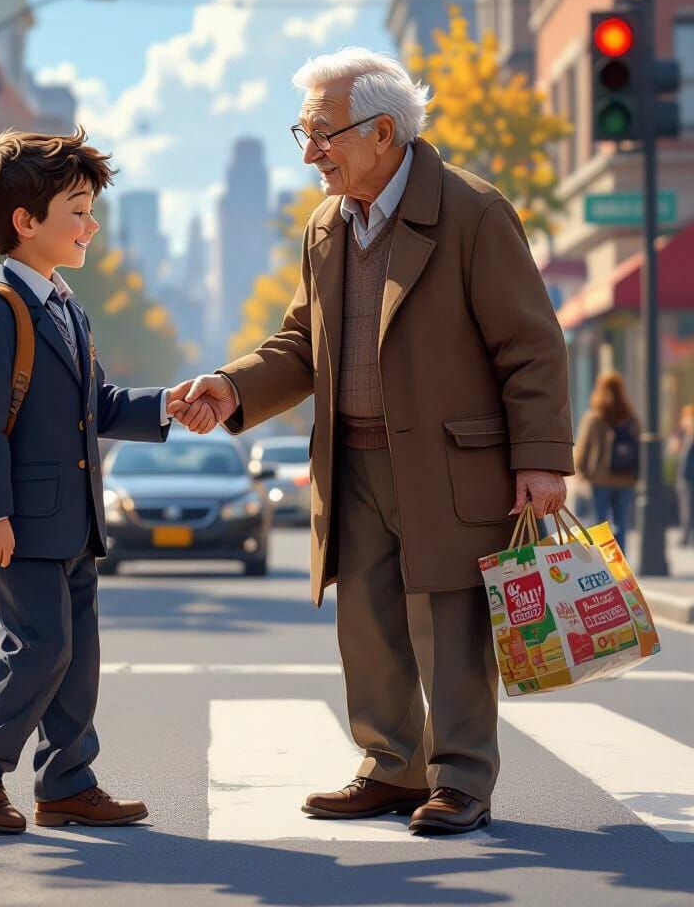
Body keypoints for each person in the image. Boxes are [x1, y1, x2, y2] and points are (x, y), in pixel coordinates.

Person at [170, 48, 571, 836]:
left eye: (322, 133)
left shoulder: (473, 212)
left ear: (382, 132)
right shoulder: (326, 224)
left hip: (448, 461)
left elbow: (531, 345)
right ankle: (390, 766)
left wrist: (542, 459)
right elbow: (300, 342)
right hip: (350, 455)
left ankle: (460, 779)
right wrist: (234, 385)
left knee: (449, 622)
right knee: (370, 620)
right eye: (303, 132)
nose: (310, 150)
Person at [0, 128, 184, 835]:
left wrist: (170, 402)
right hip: (21, 521)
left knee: (78, 655)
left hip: (74, 519)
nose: (90, 224)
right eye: (76, 210)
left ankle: (68, 782)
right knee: (41, 646)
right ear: (26, 222)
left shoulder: (66, 307)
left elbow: (97, 407)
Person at [574, 372, 640, 555]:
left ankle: (602, 564)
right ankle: (621, 566)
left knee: (599, 524)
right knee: (622, 524)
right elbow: (639, 446)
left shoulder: (594, 417)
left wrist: (581, 471)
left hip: (600, 479)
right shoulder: (630, 417)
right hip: (626, 479)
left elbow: (583, 447)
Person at [673, 404, 694, 547]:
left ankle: (686, 536)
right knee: (686, 507)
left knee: (688, 507)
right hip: (684, 476)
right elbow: (674, 449)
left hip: (689, 476)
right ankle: (685, 535)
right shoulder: (685, 433)